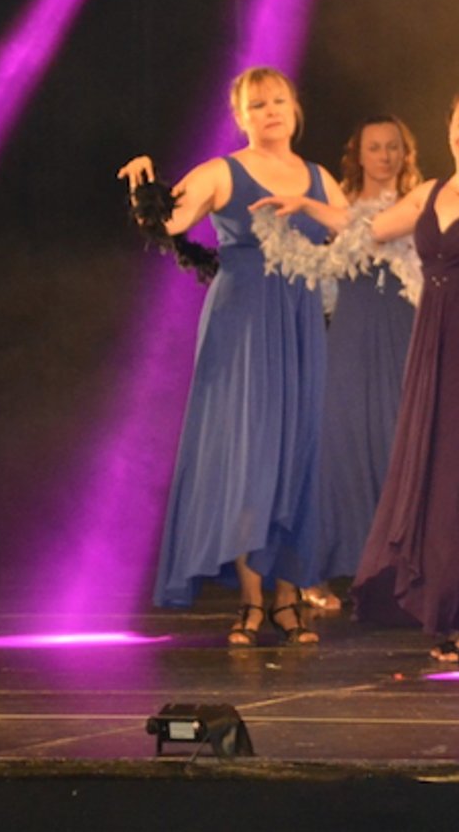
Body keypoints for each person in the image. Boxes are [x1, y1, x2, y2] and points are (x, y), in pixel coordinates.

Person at [256, 88, 459, 664]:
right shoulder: (430, 193)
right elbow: (362, 226)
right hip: (431, 344)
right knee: (436, 475)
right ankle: (446, 604)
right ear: (450, 127)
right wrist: (307, 206)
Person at [118, 66, 342, 646]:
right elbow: (167, 221)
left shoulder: (318, 177)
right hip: (243, 320)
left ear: (295, 107)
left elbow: (356, 233)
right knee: (249, 455)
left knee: (296, 454)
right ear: (240, 116)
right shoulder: (222, 171)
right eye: (257, 104)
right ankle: (250, 600)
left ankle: (288, 596)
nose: (270, 111)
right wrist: (144, 186)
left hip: (301, 320)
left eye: (278, 100)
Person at [302, 116, 423, 614]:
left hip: (403, 328)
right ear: (359, 154)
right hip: (351, 332)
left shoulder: (419, 205)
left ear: (405, 154)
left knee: (399, 444)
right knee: (340, 445)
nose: (385, 156)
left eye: (393, 147)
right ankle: (322, 566)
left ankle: (393, 568)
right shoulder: (338, 208)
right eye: (375, 147)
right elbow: (313, 271)